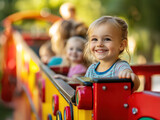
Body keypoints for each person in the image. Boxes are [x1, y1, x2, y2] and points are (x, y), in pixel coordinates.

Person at [84, 16, 140, 91]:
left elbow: (135, 84)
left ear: (121, 45)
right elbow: (85, 89)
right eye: (95, 39)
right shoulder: (91, 69)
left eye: (107, 39)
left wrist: (129, 75)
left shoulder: (120, 67)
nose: (99, 44)